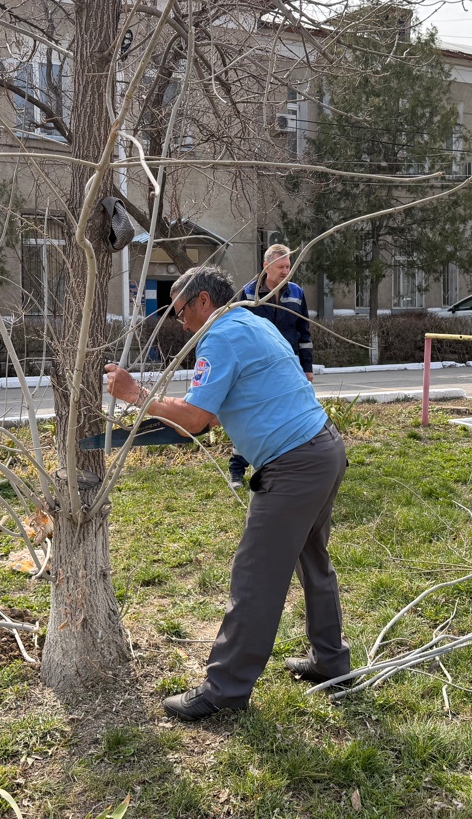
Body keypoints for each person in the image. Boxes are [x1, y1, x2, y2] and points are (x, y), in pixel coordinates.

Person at [104, 265, 348, 721]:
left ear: (202, 301)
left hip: (294, 464)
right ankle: (331, 662)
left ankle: (225, 689)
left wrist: (136, 394)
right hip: (323, 449)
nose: (180, 323)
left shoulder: (219, 336)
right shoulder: (249, 322)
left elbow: (196, 421)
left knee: (255, 576)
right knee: (313, 561)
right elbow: (212, 414)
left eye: (180, 312)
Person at [228, 242, 315, 488]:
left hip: (289, 368)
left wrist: (307, 369)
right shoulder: (248, 293)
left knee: (286, 419)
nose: (286, 271)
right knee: (252, 419)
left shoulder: (296, 293)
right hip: (256, 370)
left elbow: (304, 333)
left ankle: (276, 468)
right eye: (280, 266)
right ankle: (236, 471)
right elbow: (238, 332)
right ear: (266, 266)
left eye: (288, 266)